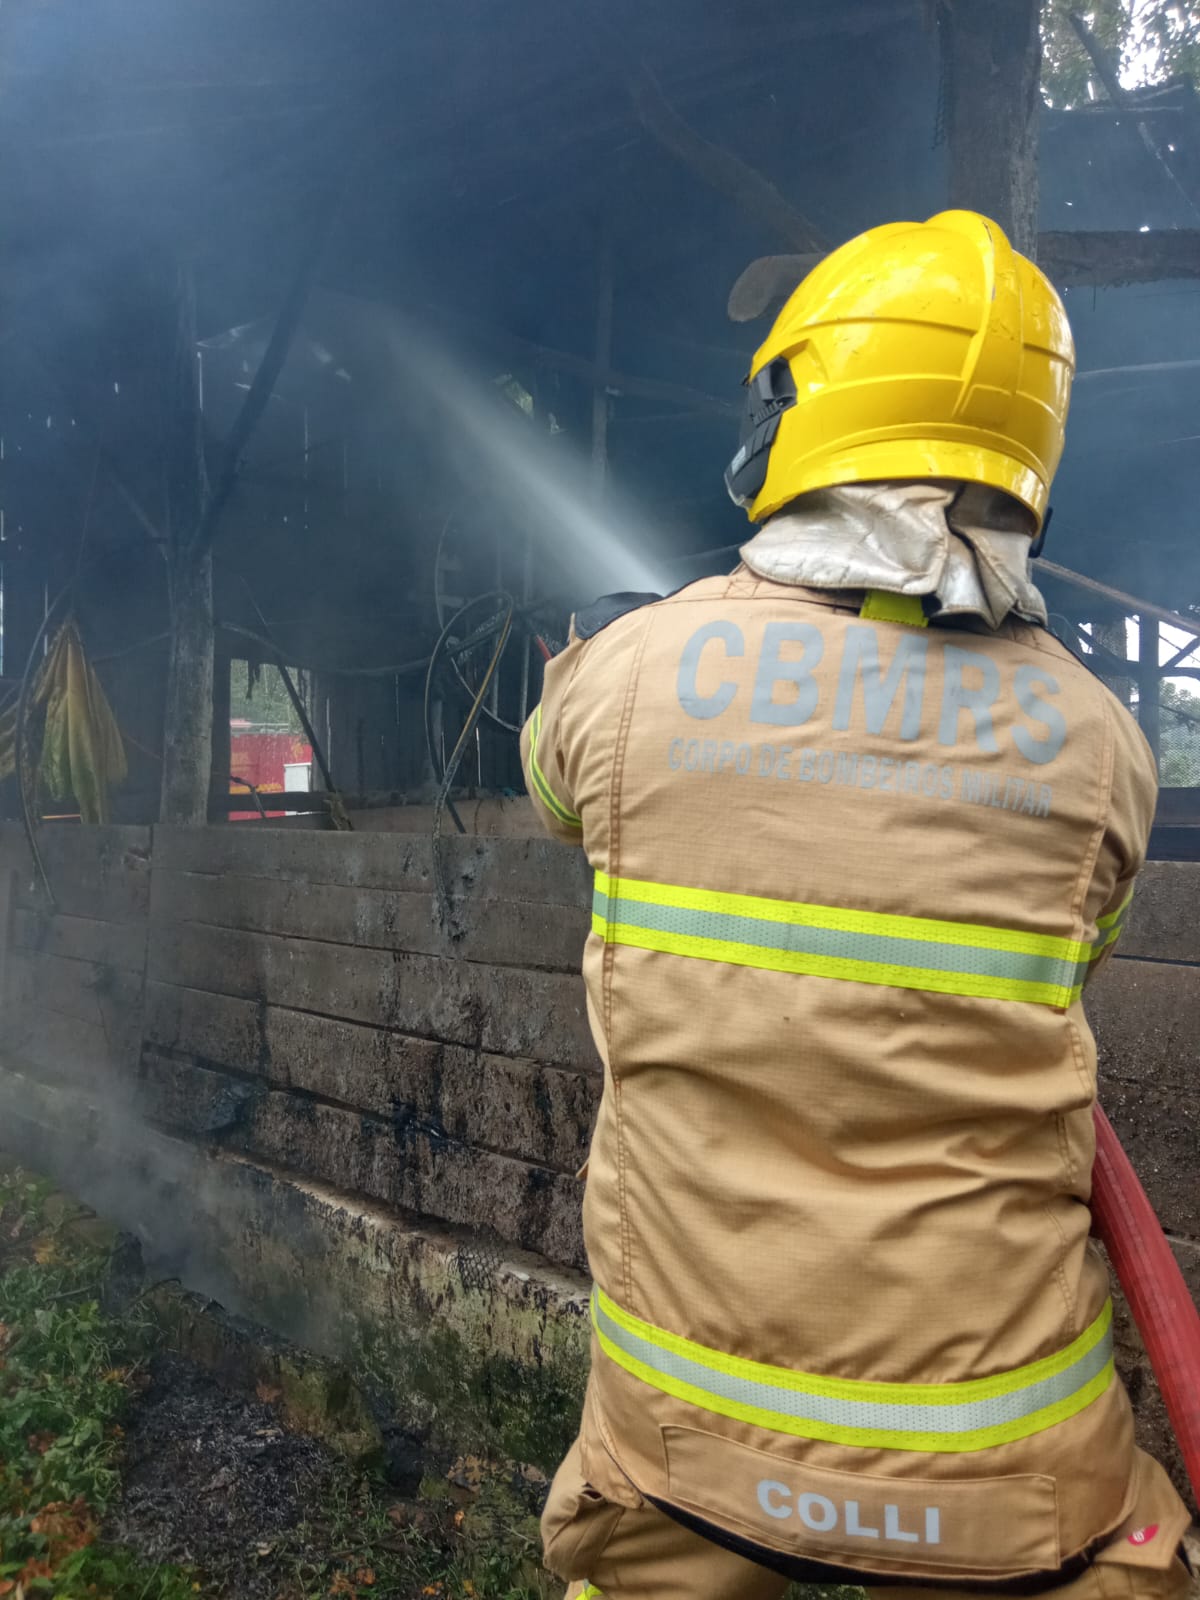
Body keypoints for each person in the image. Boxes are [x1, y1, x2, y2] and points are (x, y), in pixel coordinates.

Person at [520, 210, 1194, 1600]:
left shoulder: (629, 675)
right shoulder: (1101, 748)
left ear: (799, 411)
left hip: (682, 1451)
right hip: (1007, 1486)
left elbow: (561, 791)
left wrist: (609, 644)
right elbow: (1077, 944)